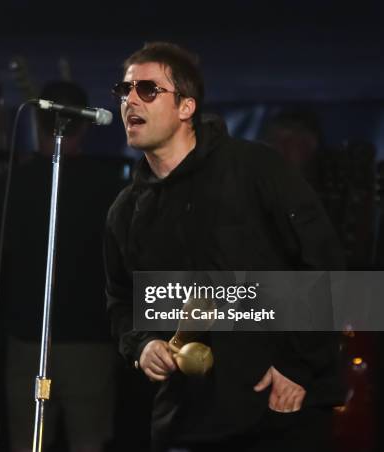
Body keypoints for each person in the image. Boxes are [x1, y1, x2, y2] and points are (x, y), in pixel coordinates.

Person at [104, 42, 346, 452]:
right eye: (124, 90)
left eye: (147, 90)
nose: (130, 101)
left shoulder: (255, 169)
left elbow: (324, 264)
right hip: (186, 422)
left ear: (186, 107)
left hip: (278, 410)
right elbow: (121, 300)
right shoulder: (126, 211)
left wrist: (299, 367)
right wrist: (143, 345)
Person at [0, 81, 125, 452]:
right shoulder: (107, 186)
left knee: (29, 441)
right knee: (88, 440)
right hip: (86, 341)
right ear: (85, 126)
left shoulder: (14, 183)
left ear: (37, 122)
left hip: (29, 336)